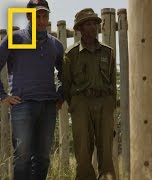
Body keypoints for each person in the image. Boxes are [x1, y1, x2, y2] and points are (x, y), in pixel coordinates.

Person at [0, 0, 64, 179]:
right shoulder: (15, 39)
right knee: (23, 158)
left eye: (45, 16)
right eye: (37, 16)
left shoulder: (56, 44)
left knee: (43, 158)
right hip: (22, 105)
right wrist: (3, 96)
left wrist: (61, 93)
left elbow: (65, 73)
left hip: (48, 108)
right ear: (28, 16)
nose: (42, 21)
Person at [62, 8, 116, 180]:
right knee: (83, 150)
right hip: (81, 102)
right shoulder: (70, 54)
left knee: (106, 150)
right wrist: (76, 105)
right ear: (79, 29)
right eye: (88, 24)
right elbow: (66, 84)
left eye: (95, 23)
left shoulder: (108, 52)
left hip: (104, 101)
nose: (93, 27)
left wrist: (109, 103)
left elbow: (112, 82)